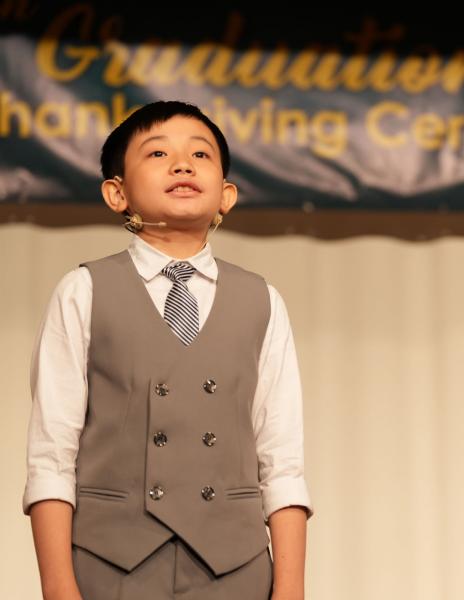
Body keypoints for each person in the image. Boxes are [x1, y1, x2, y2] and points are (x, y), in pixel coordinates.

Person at [24, 100, 312, 600]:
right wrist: (58, 588)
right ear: (117, 193)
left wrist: (290, 589)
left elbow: (282, 461)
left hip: (235, 571)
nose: (182, 164)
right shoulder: (84, 290)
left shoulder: (261, 300)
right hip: (110, 567)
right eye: (157, 154)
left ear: (226, 195)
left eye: (200, 155)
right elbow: (52, 456)